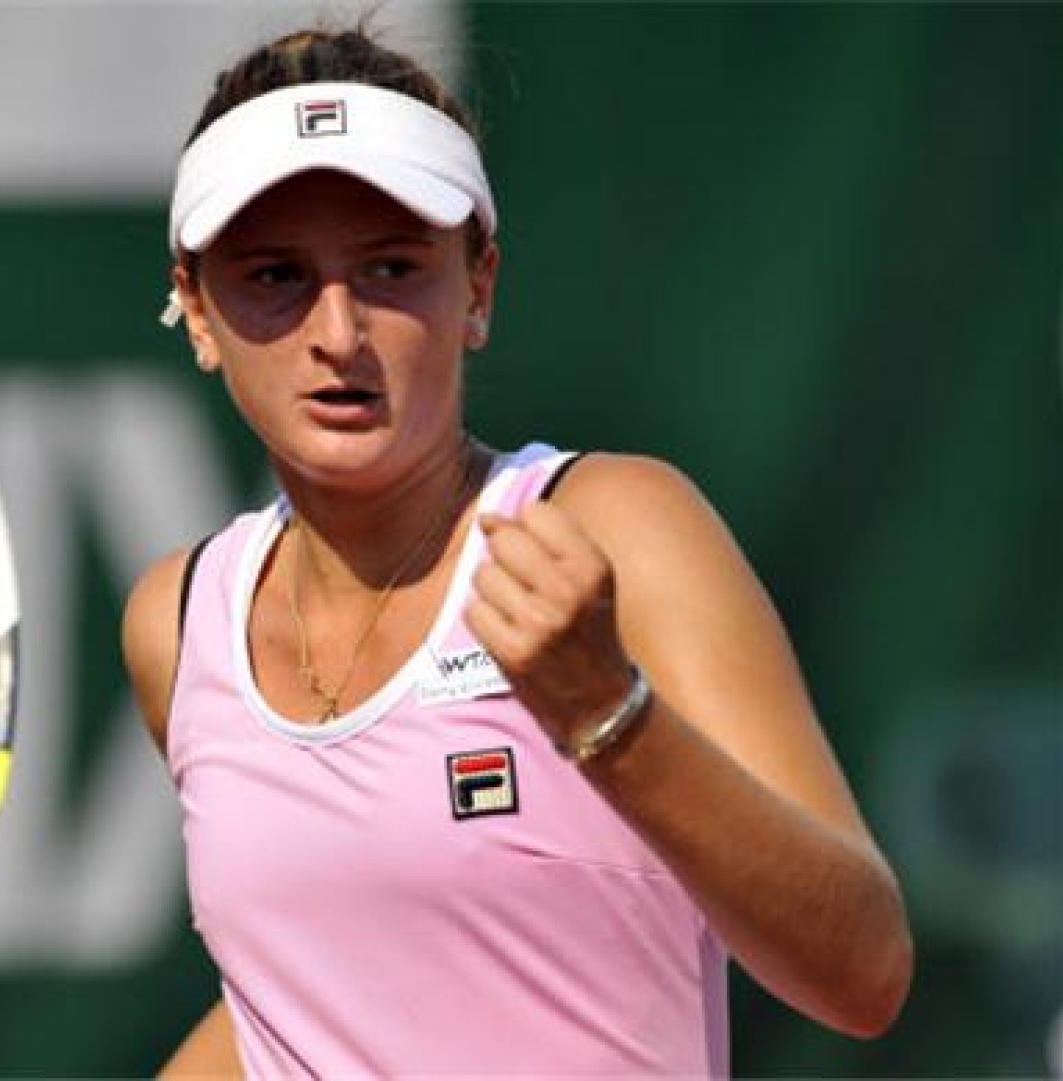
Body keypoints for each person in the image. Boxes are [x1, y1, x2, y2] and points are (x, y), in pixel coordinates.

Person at [123, 22, 913, 1078]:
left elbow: (863, 970)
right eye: (276, 276)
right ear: (196, 308)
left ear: (478, 288)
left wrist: (607, 715)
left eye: (391, 268)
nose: (339, 334)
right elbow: (296, 988)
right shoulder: (176, 621)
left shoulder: (620, 526)